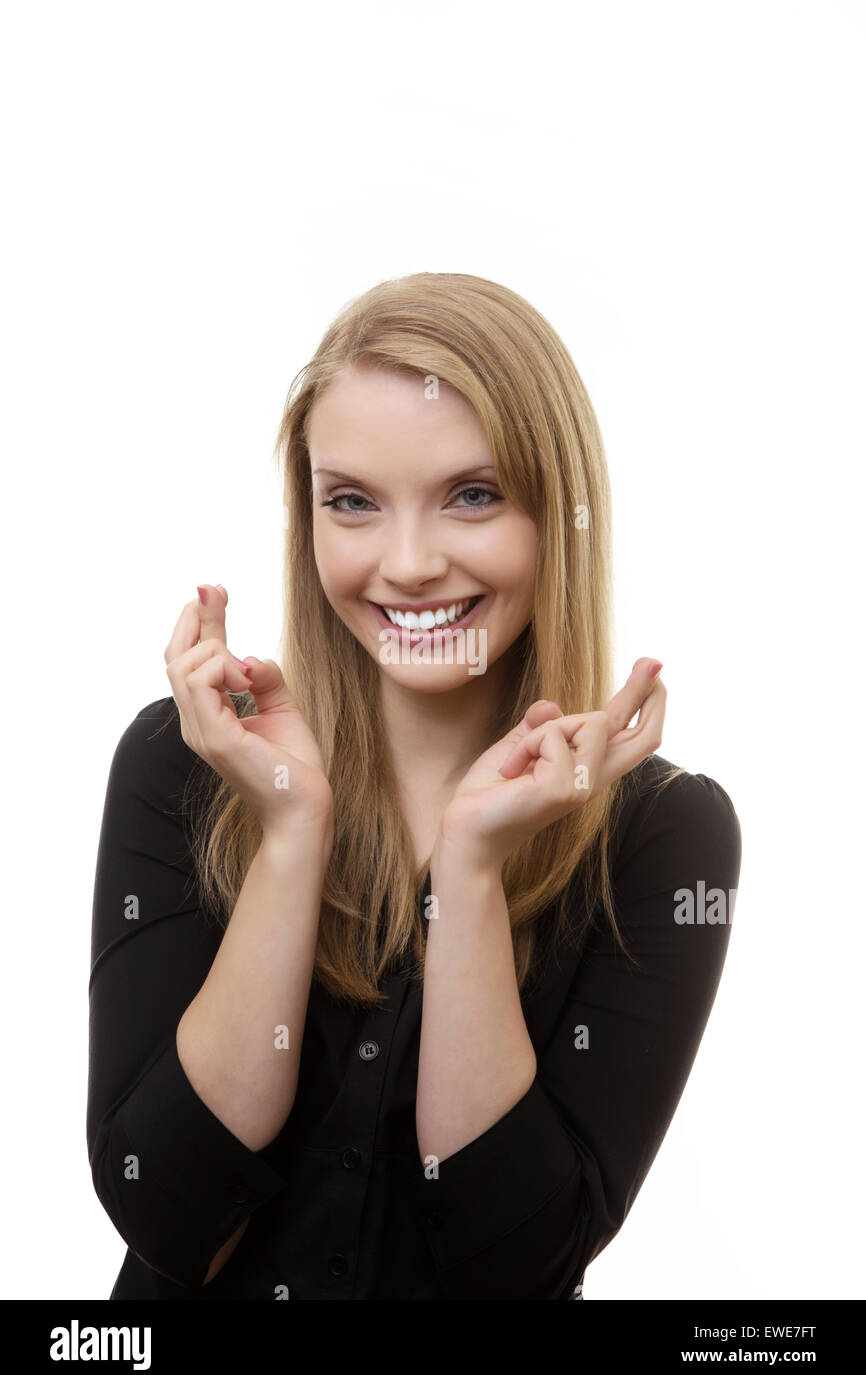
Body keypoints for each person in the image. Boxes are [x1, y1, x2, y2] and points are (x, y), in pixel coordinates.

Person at [87, 272, 741, 1300]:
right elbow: (166, 1211)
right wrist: (293, 833)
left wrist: (471, 871)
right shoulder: (189, 761)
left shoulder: (662, 834)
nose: (406, 562)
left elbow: (514, 1264)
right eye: (352, 502)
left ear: (556, 516)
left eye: (470, 495)